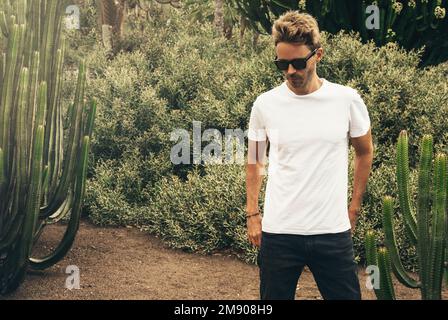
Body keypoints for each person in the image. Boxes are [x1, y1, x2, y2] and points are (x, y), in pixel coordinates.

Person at [245, 11, 374, 300]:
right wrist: (252, 214)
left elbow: (365, 152)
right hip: (279, 232)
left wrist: (353, 207)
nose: (291, 71)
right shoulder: (265, 104)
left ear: (318, 55)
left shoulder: (346, 99)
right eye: (282, 64)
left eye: (298, 62)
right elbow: (255, 158)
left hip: (331, 230)